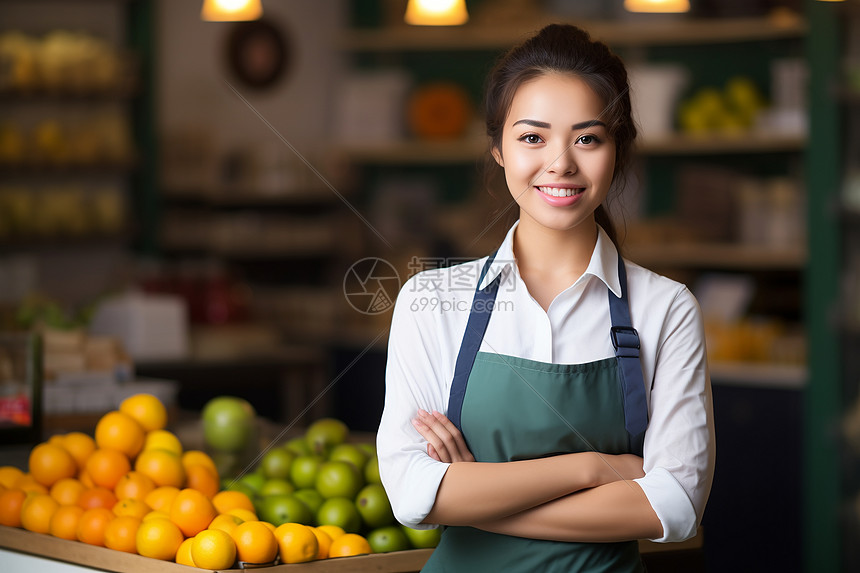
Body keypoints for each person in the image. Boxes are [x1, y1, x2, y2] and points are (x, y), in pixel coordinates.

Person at [376, 23, 715, 572]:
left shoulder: (667, 309)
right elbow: (413, 494)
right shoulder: (432, 300)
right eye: (533, 137)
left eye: (588, 138)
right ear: (498, 150)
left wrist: (473, 500)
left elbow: (674, 508)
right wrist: (594, 469)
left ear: (617, 150)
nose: (560, 163)